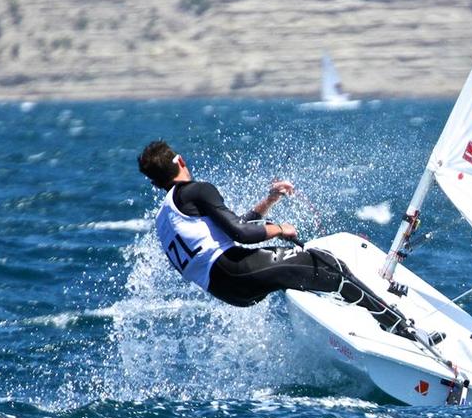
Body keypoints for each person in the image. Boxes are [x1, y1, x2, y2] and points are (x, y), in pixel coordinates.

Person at [136, 140, 410, 335]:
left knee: (303, 270)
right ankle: (397, 325)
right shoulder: (197, 190)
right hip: (234, 270)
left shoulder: (166, 215)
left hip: (227, 289)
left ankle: (356, 319)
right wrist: (280, 228)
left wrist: (268, 201)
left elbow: (230, 228)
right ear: (180, 161)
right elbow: (241, 234)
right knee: (327, 264)